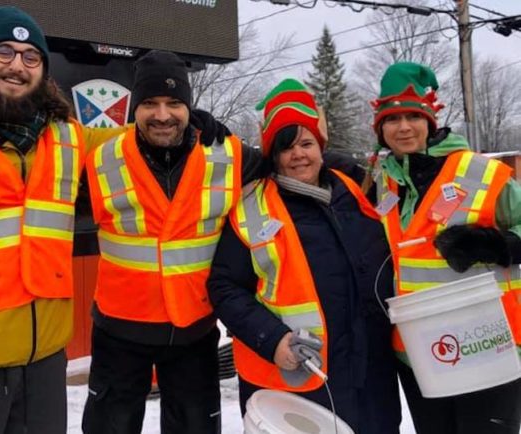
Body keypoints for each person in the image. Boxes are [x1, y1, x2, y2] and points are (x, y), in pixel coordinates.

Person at [0, 6, 224, 434]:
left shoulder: (67, 138)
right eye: (4, 52)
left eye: (30, 56)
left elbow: (138, 138)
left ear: (42, 69)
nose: (17, 65)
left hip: (42, 366)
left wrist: (190, 125)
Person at [81, 49, 264, 434]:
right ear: (134, 108)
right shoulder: (98, 158)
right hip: (118, 332)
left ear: (190, 107)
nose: (162, 115)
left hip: (193, 332)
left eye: (175, 103)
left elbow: (292, 162)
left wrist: (346, 167)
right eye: (149, 103)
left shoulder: (229, 155)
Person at [206, 78, 401, 433]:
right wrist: (271, 338)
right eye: (286, 147)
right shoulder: (252, 209)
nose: (298, 155)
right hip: (296, 377)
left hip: (371, 374)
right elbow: (224, 288)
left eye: (307, 143)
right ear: (272, 154)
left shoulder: (356, 191)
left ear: (321, 146)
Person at [363, 61, 521, 434]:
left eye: (412, 117)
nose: (403, 128)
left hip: (486, 345)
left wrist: (493, 245)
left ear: (430, 122)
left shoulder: (480, 172)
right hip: (420, 353)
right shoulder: (383, 181)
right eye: (392, 119)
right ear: (380, 128)